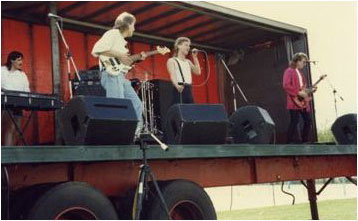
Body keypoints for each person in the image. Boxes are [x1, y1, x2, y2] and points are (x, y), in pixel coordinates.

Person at [91, 12, 147, 136]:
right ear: (127, 25)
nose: (134, 28)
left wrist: (136, 59)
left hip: (121, 76)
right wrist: (119, 55)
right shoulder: (112, 34)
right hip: (112, 76)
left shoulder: (122, 43)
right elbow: (96, 50)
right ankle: (115, 136)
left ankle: (134, 134)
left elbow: (122, 64)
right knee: (117, 107)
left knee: (136, 104)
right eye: (133, 25)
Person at [283, 52, 315, 143]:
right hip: (294, 101)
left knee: (308, 121)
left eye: (305, 62)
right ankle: (288, 142)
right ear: (297, 61)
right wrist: (298, 93)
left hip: (302, 102)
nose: (304, 64)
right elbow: (286, 85)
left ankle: (304, 141)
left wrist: (309, 91)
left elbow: (302, 89)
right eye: (303, 62)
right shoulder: (289, 71)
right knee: (294, 121)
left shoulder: (300, 73)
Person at [1, 51, 30, 146]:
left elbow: (26, 90)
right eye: (19, 60)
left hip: (18, 104)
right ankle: (8, 155)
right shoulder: (2, 71)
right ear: (12, 60)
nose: (21, 62)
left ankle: (12, 152)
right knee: (10, 128)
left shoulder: (22, 75)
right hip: (5, 104)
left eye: (21, 60)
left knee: (17, 130)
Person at [166, 37, 201, 104]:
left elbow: (198, 72)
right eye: (186, 45)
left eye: (189, 46)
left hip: (188, 89)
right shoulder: (172, 60)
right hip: (179, 88)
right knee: (180, 111)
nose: (188, 47)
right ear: (178, 46)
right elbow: (173, 76)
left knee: (191, 111)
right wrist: (177, 86)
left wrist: (195, 57)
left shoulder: (188, 61)